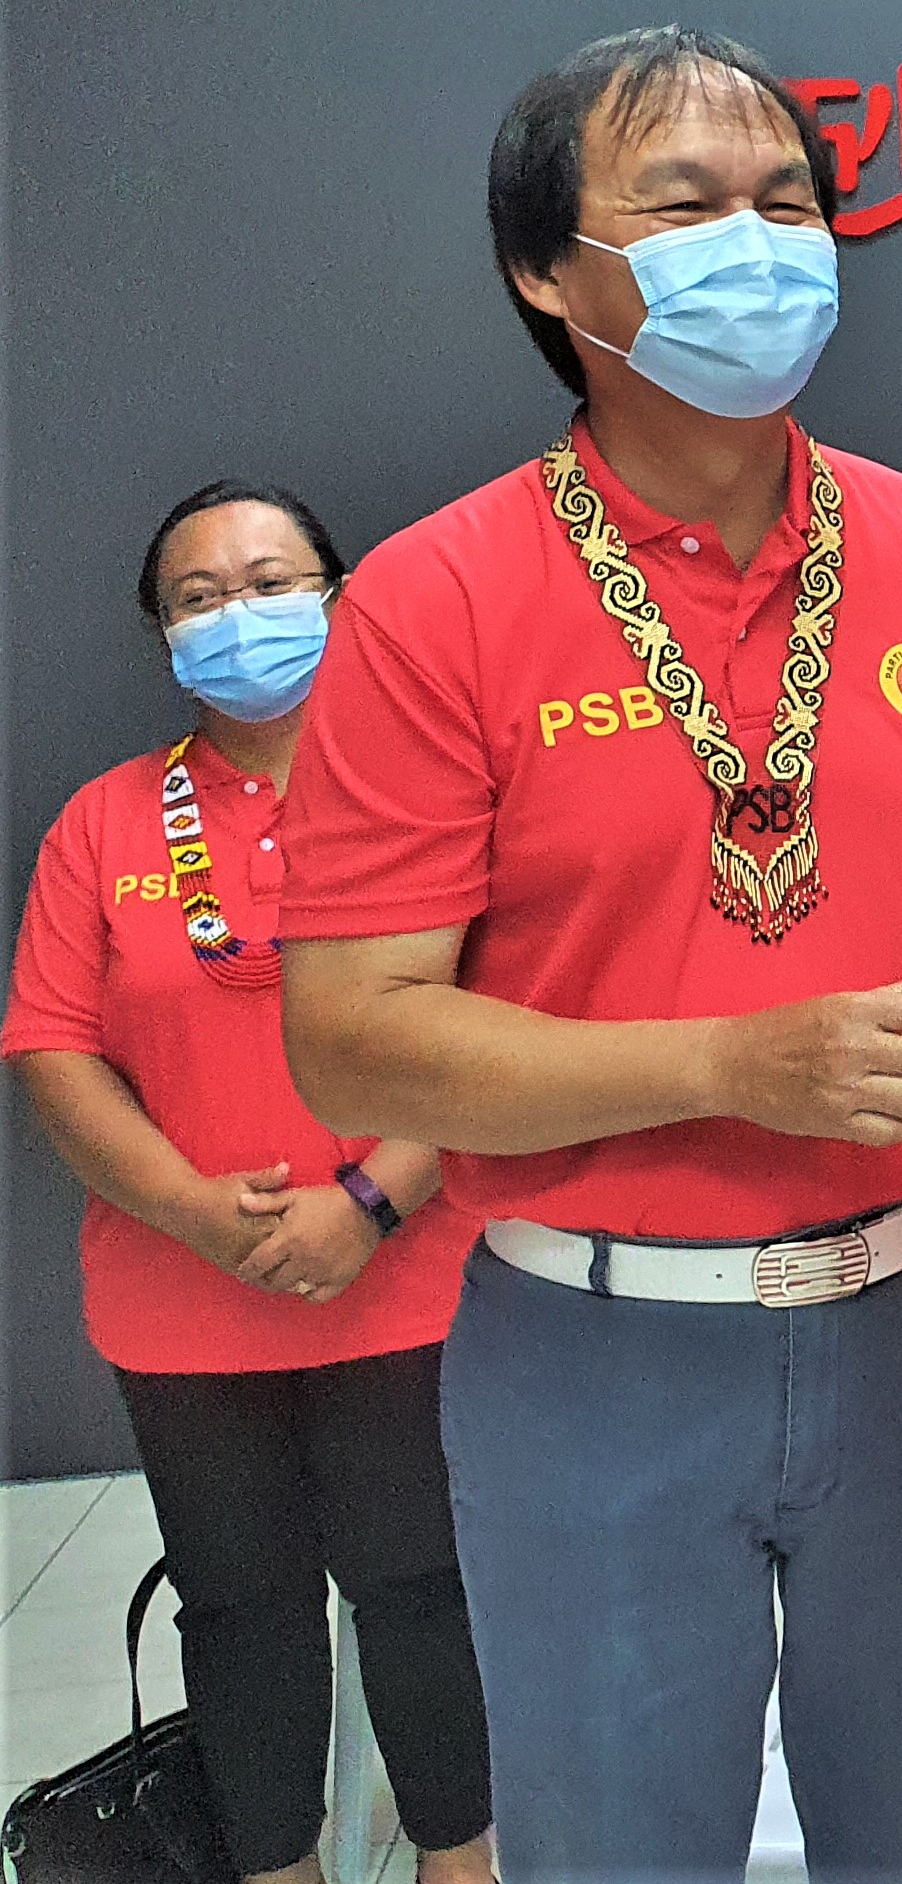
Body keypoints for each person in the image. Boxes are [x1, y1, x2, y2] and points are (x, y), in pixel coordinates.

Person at [273, 26, 902, 1879]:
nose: (761, 244)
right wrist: (727, 1064)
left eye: (789, 202)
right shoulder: (433, 600)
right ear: (546, 273)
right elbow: (353, 1037)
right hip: (594, 1349)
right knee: (618, 1845)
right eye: (689, 205)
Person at [3, 484, 494, 1884]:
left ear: (340, 595)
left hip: (406, 1279)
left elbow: (503, 1019)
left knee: (423, 1590)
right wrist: (193, 1213)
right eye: (201, 597)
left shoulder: (434, 797)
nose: (240, 616)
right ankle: (279, 1869)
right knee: (240, 1609)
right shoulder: (103, 822)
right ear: (161, 632)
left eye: (272, 582)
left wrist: (371, 1204)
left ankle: (462, 1864)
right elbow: (50, 1044)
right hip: (186, 1302)